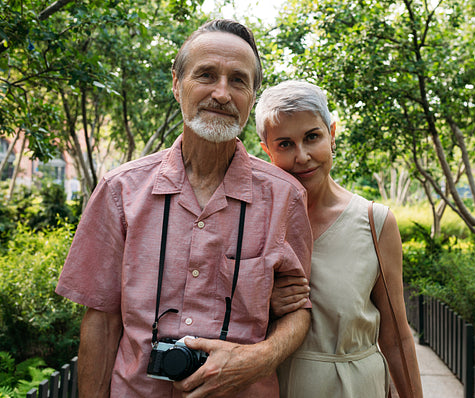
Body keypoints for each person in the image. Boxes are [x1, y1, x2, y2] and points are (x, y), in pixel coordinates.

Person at [55, 21, 313, 398]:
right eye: (206, 75)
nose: (222, 94)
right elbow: (101, 320)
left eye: (238, 81)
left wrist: (261, 358)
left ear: (253, 95)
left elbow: (298, 308)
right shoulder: (120, 190)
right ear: (177, 84)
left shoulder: (285, 197)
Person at [255, 80, 423, 398]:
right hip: (275, 385)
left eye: (312, 137)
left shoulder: (375, 222)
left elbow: (396, 336)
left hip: (357, 387)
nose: (302, 156)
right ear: (267, 151)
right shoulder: (255, 222)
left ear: (331, 135)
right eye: (285, 144)